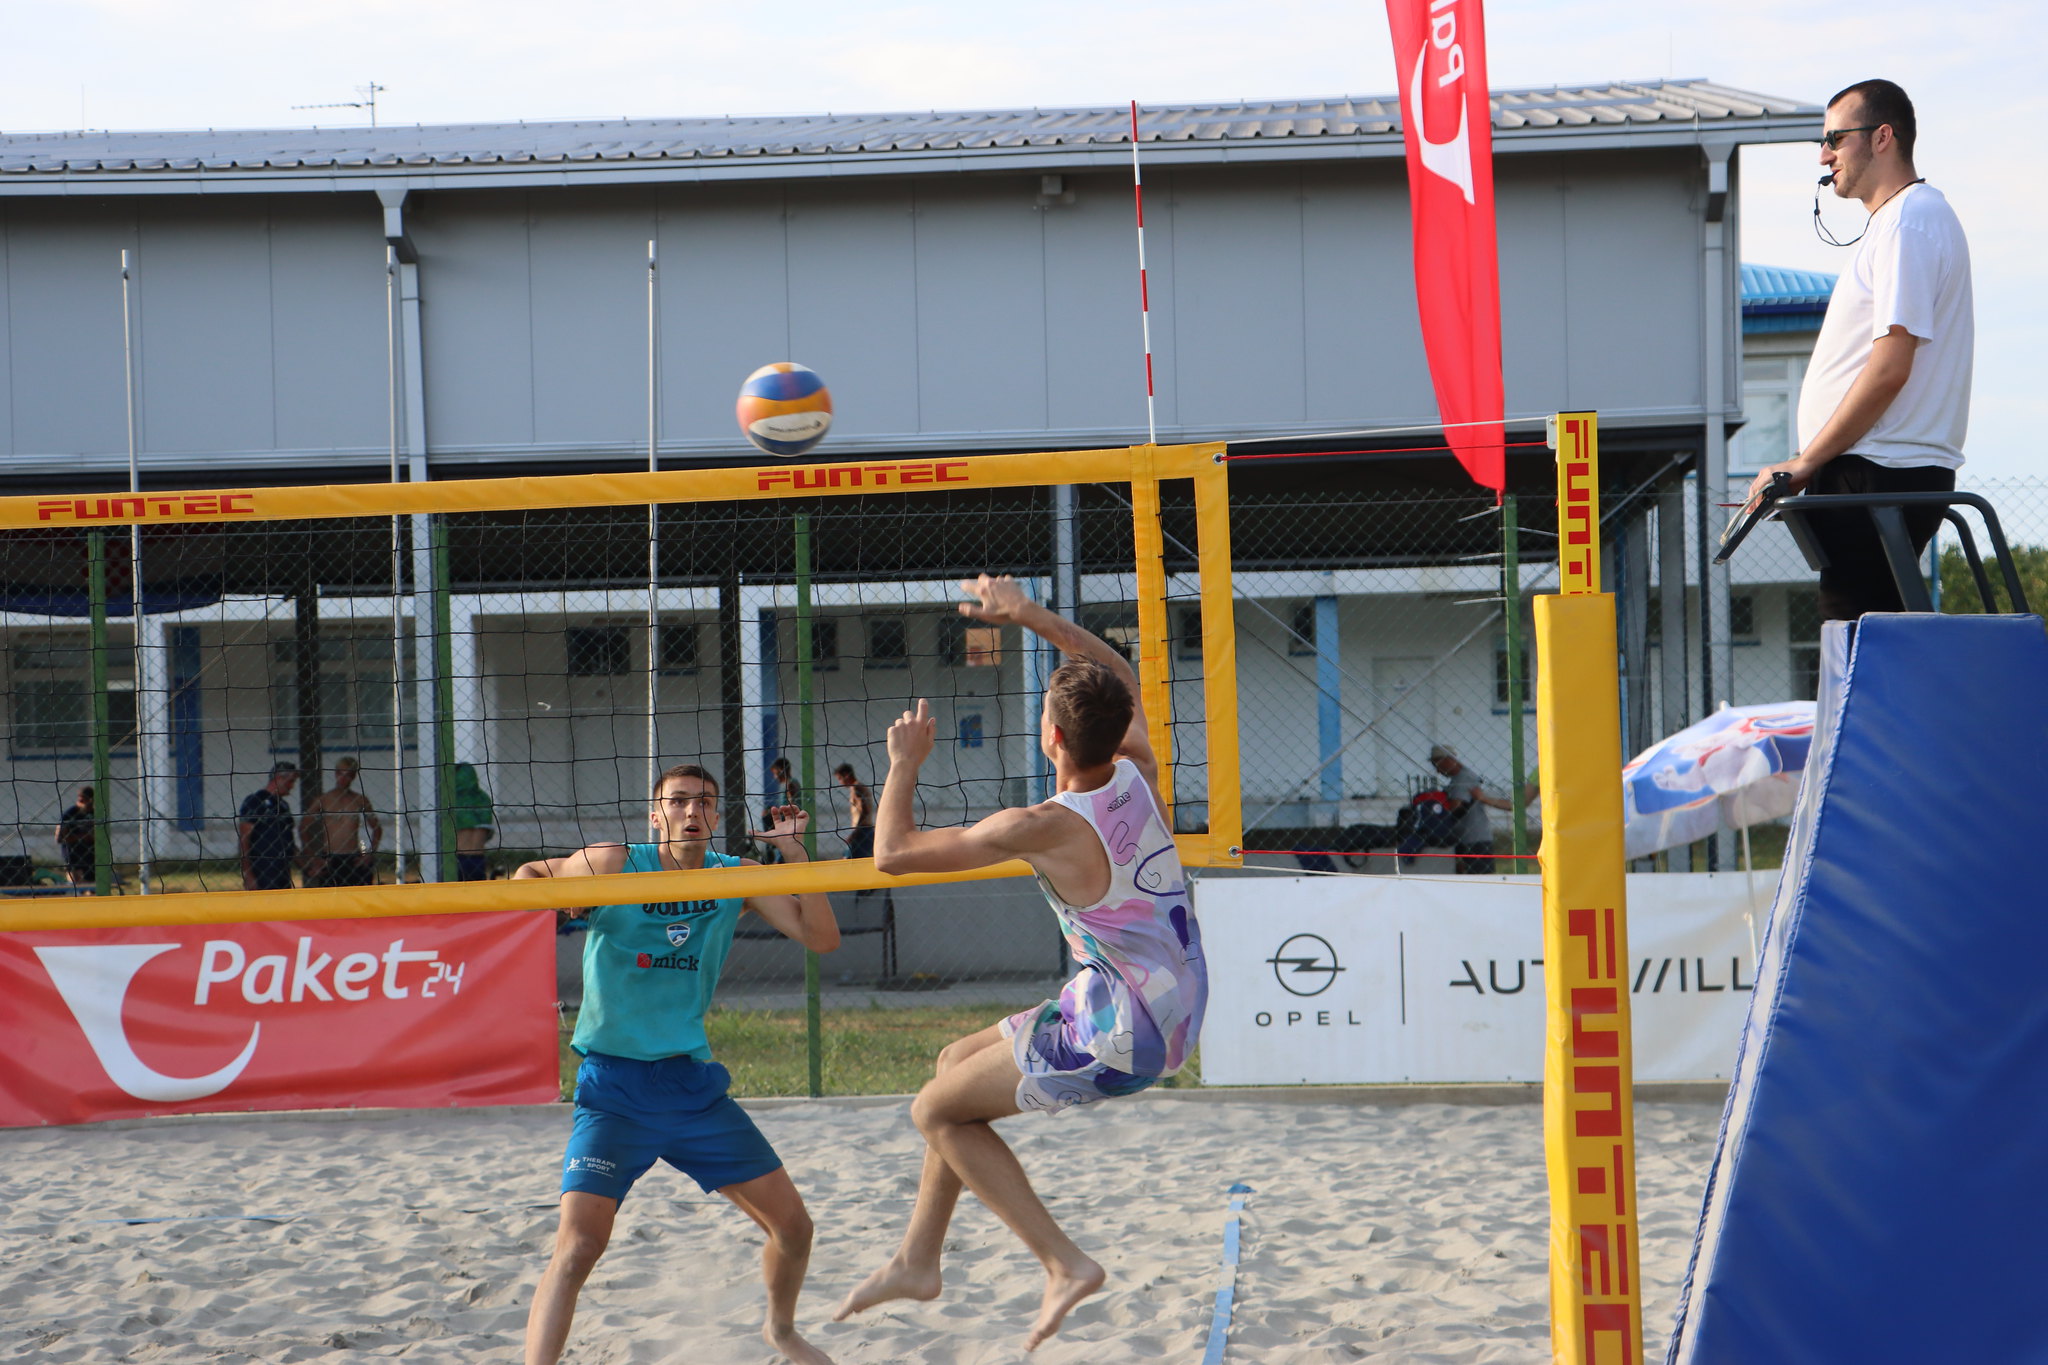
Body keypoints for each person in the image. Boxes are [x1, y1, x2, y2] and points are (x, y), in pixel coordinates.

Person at [833, 573, 1206, 1352]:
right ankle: (917, 1258)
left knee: (934, 1112)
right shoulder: (1137, 767)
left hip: (1124, 1027)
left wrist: (903, 761)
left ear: (1053, 738)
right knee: (951, 1064)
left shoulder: (1040, 824)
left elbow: (892, 853)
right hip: (1164, 996)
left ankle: (1064, 1263)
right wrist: (1029, 614)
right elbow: (1118, 672)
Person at [516, 763, 841, 1365]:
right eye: (679, 801)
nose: (693, 811)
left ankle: (781, 1331)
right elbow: (531, 874)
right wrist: (551, 905)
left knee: (795, 1229)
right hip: (614, 1089)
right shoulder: (614, 863)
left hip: (692, 1089)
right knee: (579, 1247)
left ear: (717, 816)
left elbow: (821, 938)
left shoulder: (735, 877)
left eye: (705, 802)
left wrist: (796, 855)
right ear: (655, 813)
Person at [1746, 78, 1972, 621]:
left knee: (1855, 644)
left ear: (1882, 137)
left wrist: (1807, 462)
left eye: (1835, 139)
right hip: (1878, 469)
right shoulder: (1901, 221)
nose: (1824, 156)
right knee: (1873, 640)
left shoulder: (1908, 222)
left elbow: (1890, 366)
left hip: (1879, 471)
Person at [1428, 744, 1513, 874]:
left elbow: (1457, 806)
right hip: (1465, 838)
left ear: (1447, 760)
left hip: (1474, 839)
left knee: (1479, 877)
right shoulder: (1457, 779)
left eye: (1437, 765)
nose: (1438, 771)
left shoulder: (1463, 778)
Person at [299, 757, 382, 887]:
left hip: (353, 857)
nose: (343, 778)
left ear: (353, 776)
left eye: (348, 775)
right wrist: (313, 857)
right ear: (335, 774)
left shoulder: (360, 800)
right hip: (330, 858)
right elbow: (303, 827)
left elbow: (376, 828)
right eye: (340, 773)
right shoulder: (323, 800)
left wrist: (369, 854)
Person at [237, 762, 300, 890]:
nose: (292, 786)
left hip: (283, 871)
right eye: (290, 781)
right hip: (262, 870)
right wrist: (248, 874)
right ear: (279, 778)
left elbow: (289, 842)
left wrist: (307, 865)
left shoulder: (283, 805)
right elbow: (244, 839)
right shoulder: (255, 801)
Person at [452, 761, 495, 882]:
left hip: (459, 858)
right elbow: (488, 829)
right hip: (479, 858)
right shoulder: (483, 798)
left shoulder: (454, 799)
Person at [55, 786, 96, 891]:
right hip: (72, 854)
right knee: (76, 886)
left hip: (90, 855)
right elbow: (59, 838)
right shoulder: (69, 814)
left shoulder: (94, 813)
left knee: (90, 887)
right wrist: (82, 836)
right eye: (81, 800)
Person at [833, 763, 875, 860]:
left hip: (862, 830)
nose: (840, 782)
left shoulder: (857, 787)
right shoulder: (859, 787)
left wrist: (854, 833)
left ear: (846, 775)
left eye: (840, 778)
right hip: (864, 829)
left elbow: (864, 811)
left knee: (849, 860)